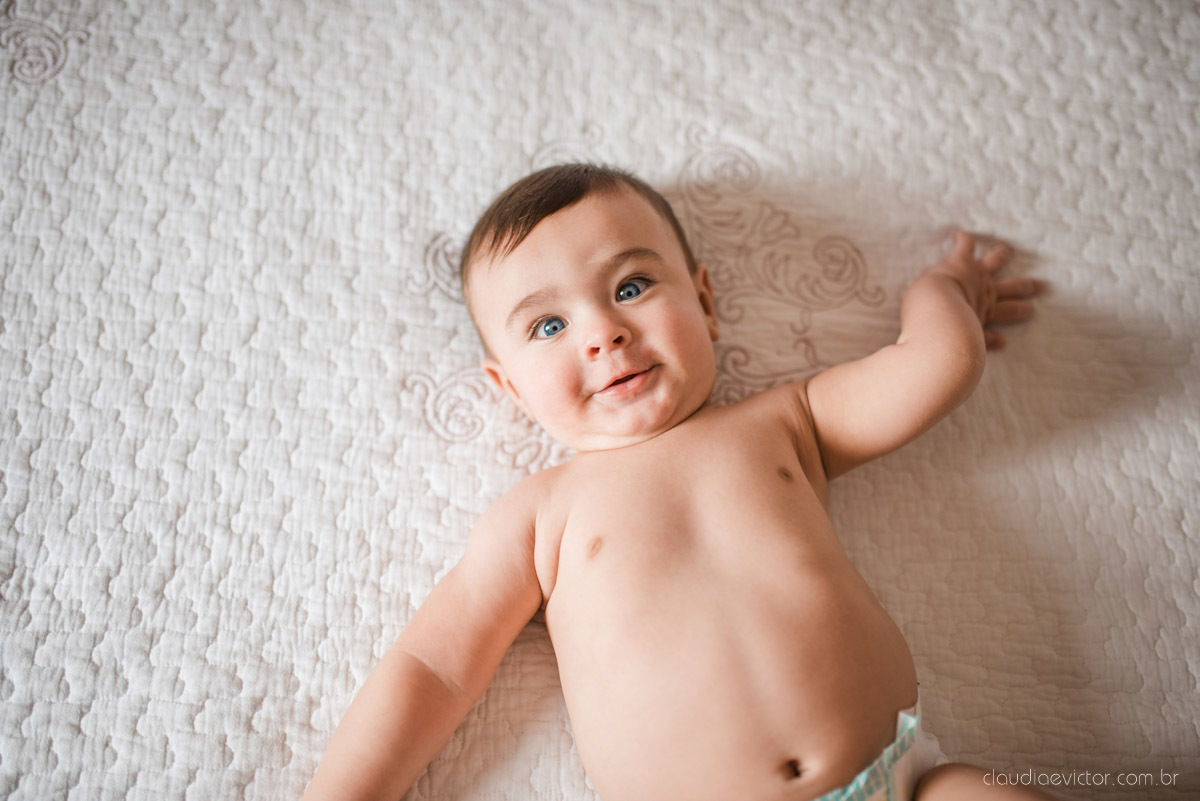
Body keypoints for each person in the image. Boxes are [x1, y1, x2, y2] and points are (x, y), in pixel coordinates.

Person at [302, 164, 1054, 801]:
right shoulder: (537, 517)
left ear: (706, 301)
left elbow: (935, 365)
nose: (603, 331)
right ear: (509, 388)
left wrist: (946, 288)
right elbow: (432, 668)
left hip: (898, 778)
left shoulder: (786, 421)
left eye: (630, 287)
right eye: (548, 326)